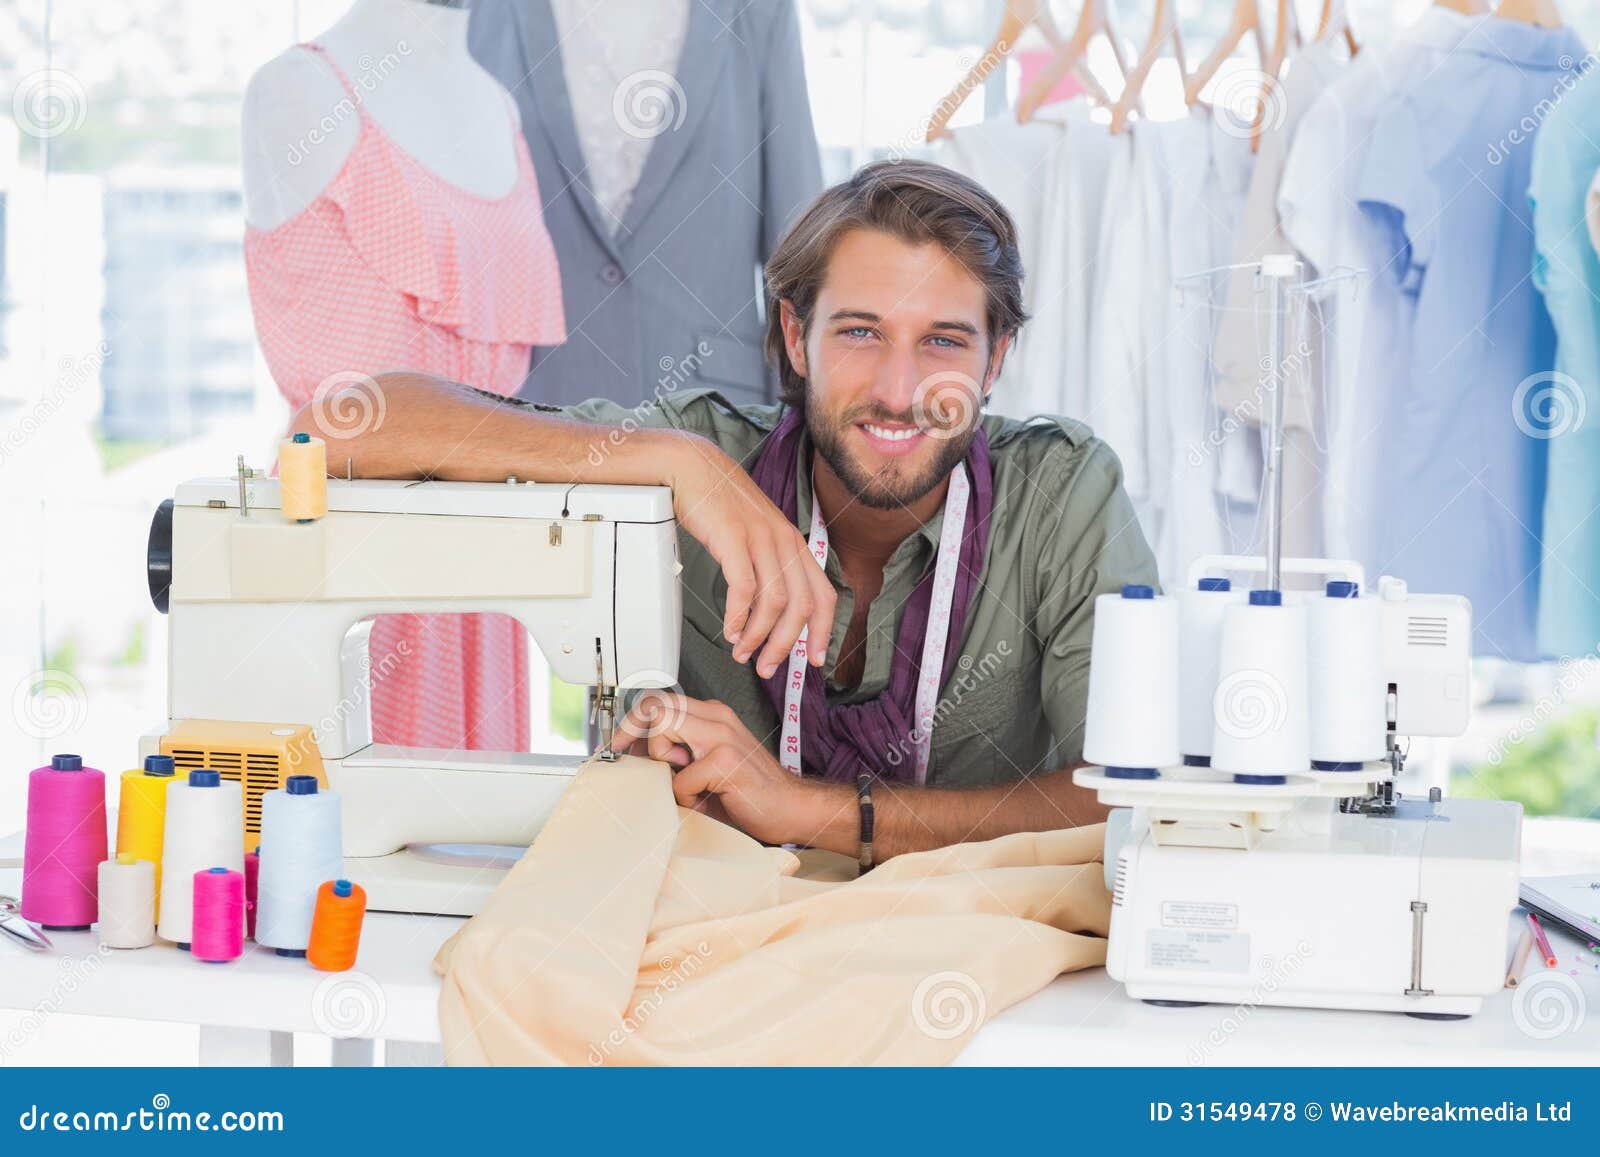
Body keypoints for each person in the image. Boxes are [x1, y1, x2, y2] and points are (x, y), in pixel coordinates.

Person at [291, 160, 1158, 863]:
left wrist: (807, 811)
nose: (900, 391)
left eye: (943, 340)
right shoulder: (697, 452)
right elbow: (330, 429)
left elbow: (1124, 797)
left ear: (996, 356)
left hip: (976, 961)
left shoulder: (1061, 494)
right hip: (721, 950)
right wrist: (676, 463)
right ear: (793, 336)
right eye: (859, 332)